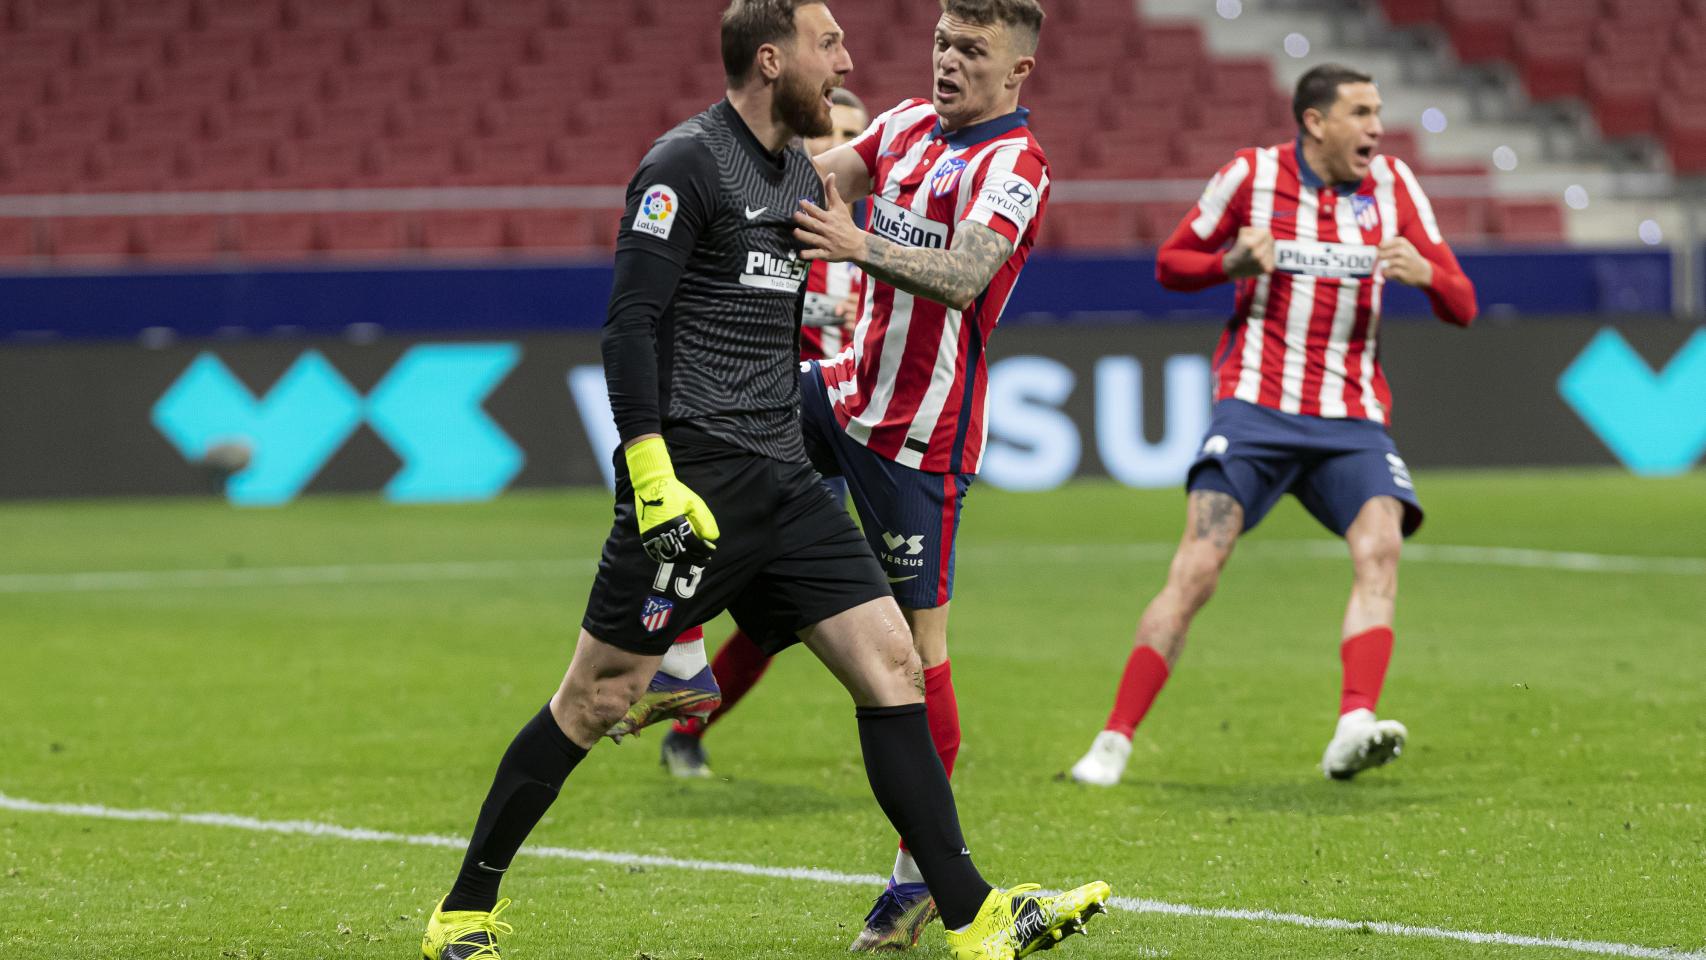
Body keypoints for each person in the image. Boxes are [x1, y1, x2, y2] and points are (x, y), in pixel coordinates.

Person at [418, 3, 1108, 959]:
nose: (850, 63)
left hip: (785, 468)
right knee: (595, 698)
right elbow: (629, 325)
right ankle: (463, 910)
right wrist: (650, 471)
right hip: (697, 474)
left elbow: (940, 264)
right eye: (830, 46)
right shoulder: (685, 164)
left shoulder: (795, 175)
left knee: (894, 665)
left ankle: (971, 914)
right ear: (774, 60)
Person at [1066, 63, 1477, 789]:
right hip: (1255, 408)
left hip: (1351, 416)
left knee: (1380, 548)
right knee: (1198, 567)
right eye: (1361, 113)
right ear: (1315, 122)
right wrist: (1229, 262)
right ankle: (1113, 740)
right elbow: (1170, 264)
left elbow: (1464, 304)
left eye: (1378, 112)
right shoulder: (1250, 176)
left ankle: (1353, 725)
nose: (1377, 128)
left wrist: (1428, 276)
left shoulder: (1395, 186)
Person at [791, 0, 1054, 949]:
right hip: (843, 389)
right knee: (707, 430)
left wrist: (857, 244)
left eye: (972, 50)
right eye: (943, 42)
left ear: (1016, 71)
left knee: (916, 657)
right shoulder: (903, 123)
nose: (947, 61)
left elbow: (966, 275)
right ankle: (683, 661)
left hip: (920, 440)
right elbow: (813, 180)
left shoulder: (1015, 166)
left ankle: (915, 879)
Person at [657, 86, 871, 782]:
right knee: (699, 554)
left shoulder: (875, 244)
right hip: (754, 423)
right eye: (831, 131)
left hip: (827, 441)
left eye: (855, 136)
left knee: (780, 622)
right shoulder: (768, 214)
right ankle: (655, 668)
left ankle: (686, 726)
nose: (841, 147)